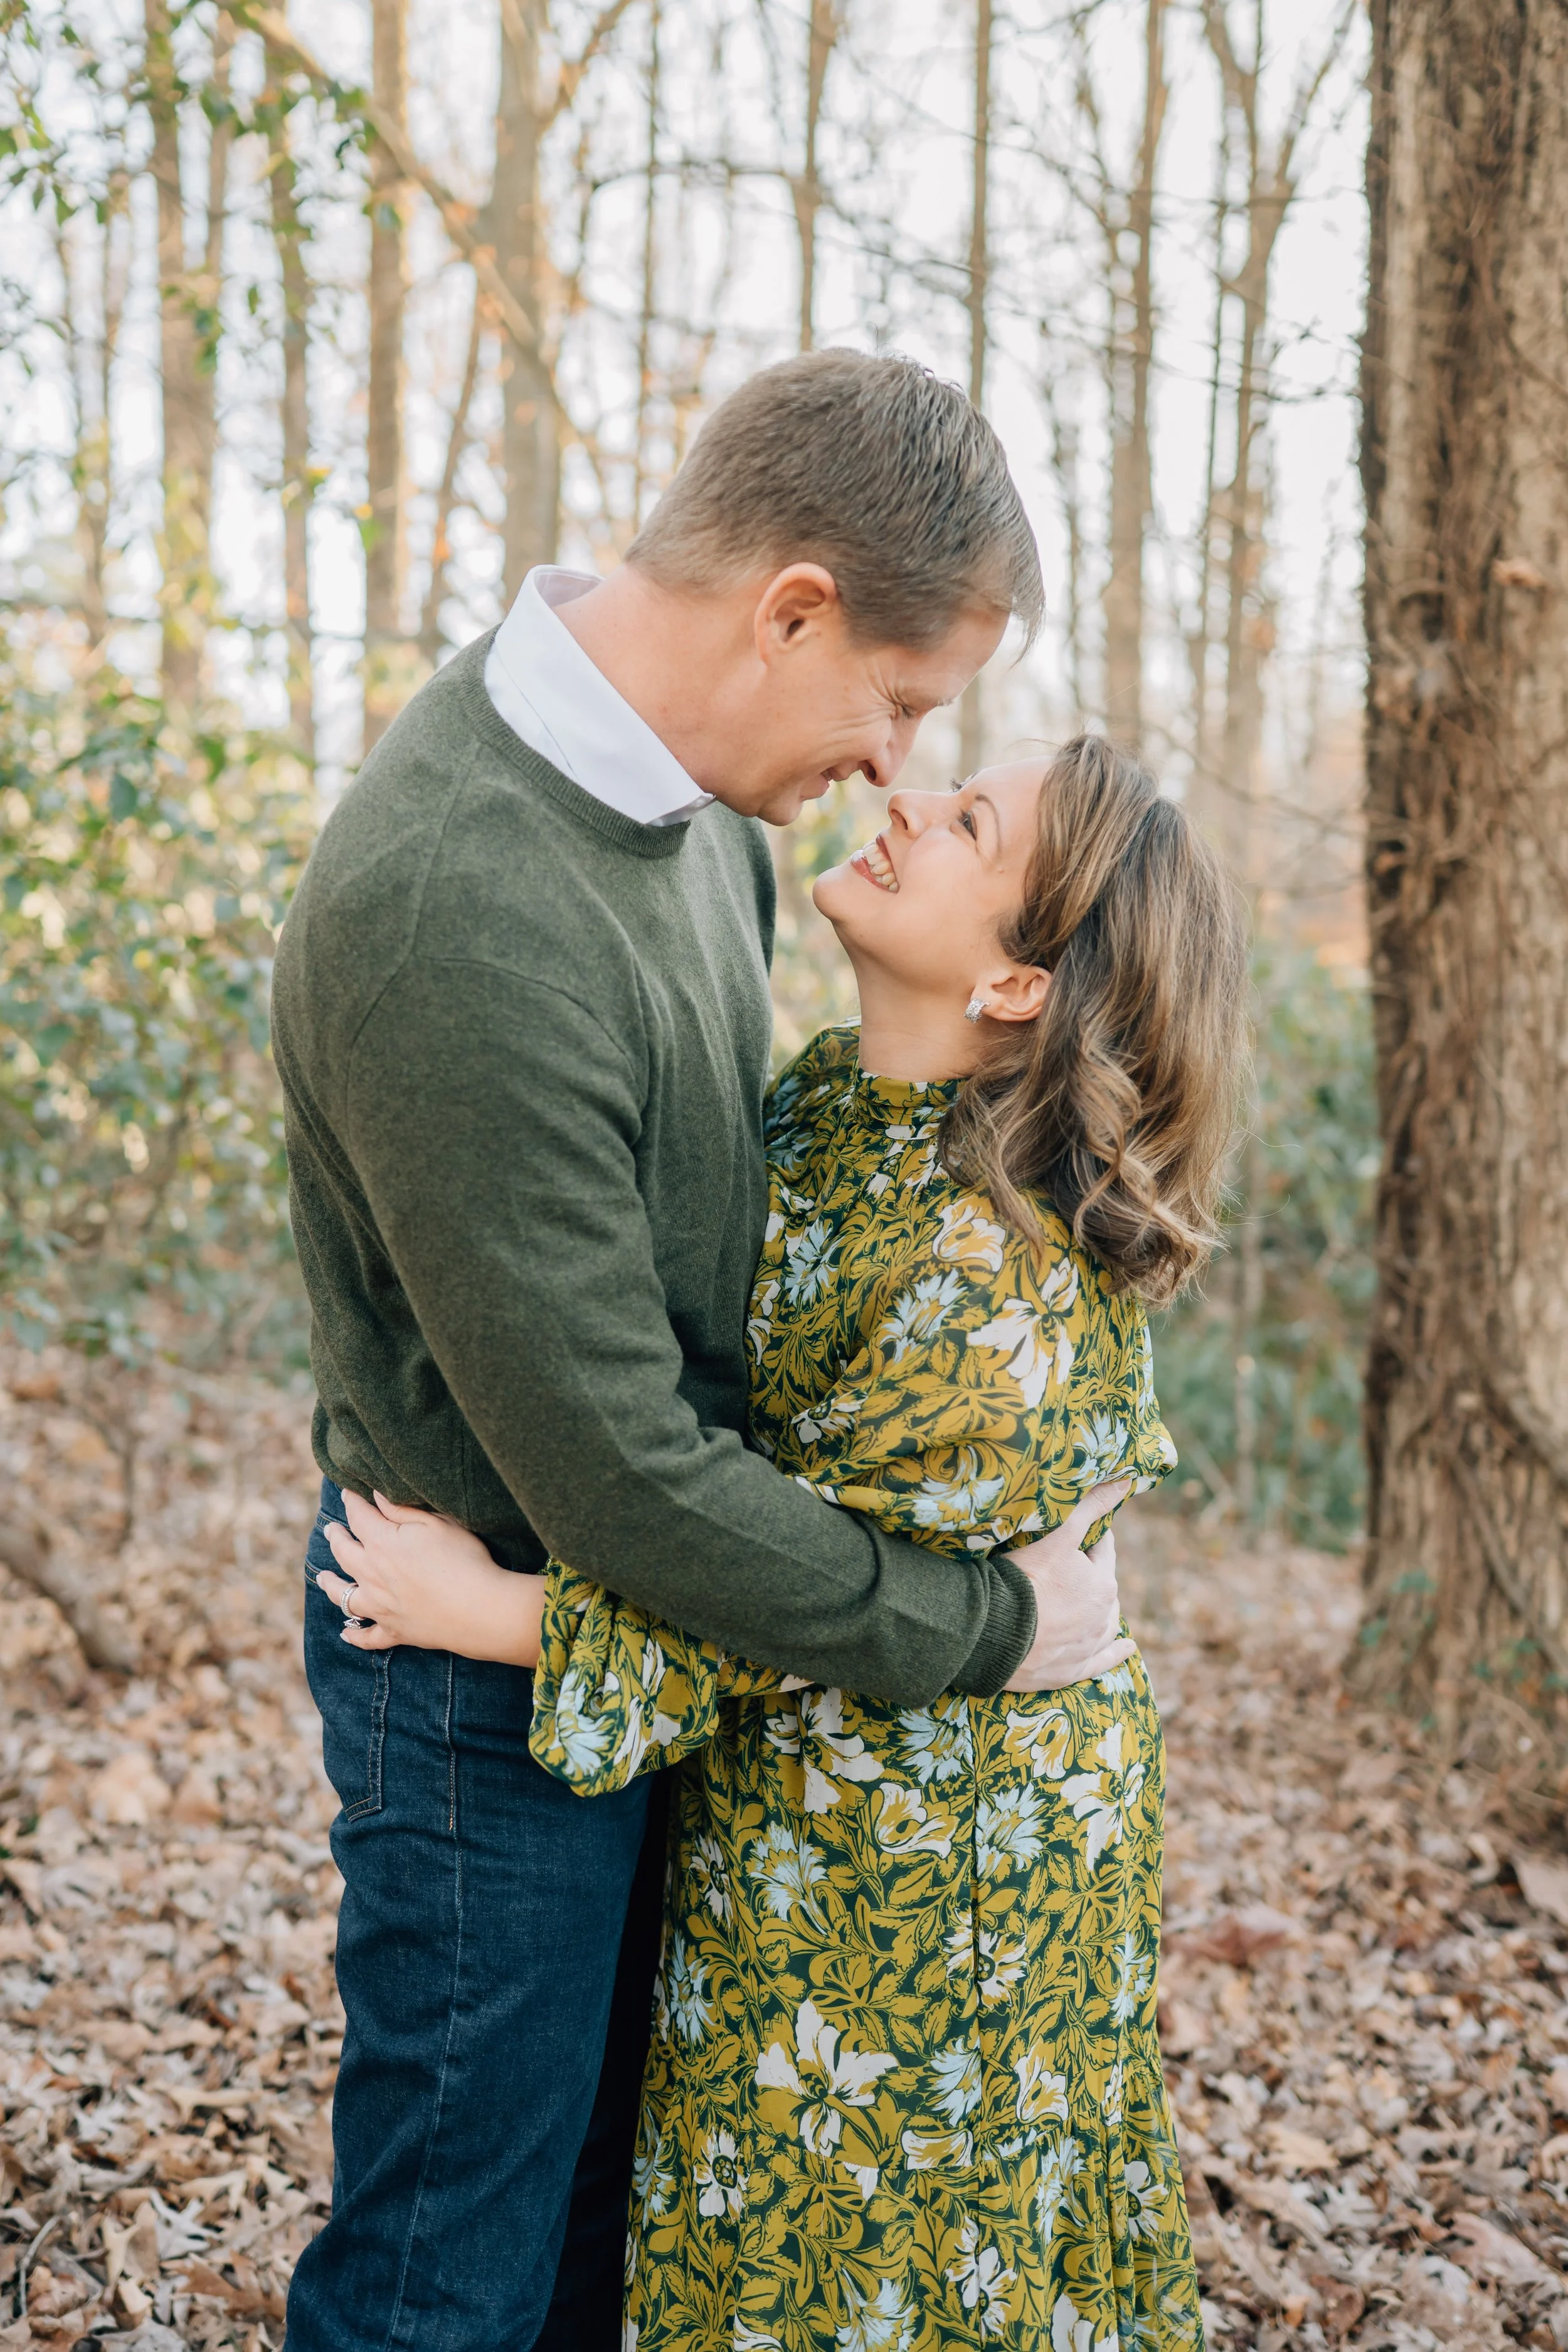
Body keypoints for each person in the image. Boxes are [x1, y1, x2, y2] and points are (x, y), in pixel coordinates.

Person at [272, 350, 1140, 2352]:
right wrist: (982, 1622)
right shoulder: (455, 906)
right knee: (446, 2265)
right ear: (793, 608)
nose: (898, 755)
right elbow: (628, 1471)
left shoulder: (694, 821)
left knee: (595, 2226)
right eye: (900, 697)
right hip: (484, 1664)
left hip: (660, 1628)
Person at [319, 737, 1249, 2349]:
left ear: (1020, 988)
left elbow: (803, 1600)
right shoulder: (831, 1102)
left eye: (968, 823)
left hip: (935, 1873)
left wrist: (499, 1618)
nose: (907, 796)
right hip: (803, 1826)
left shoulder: (992, 1276)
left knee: (876, 2288)